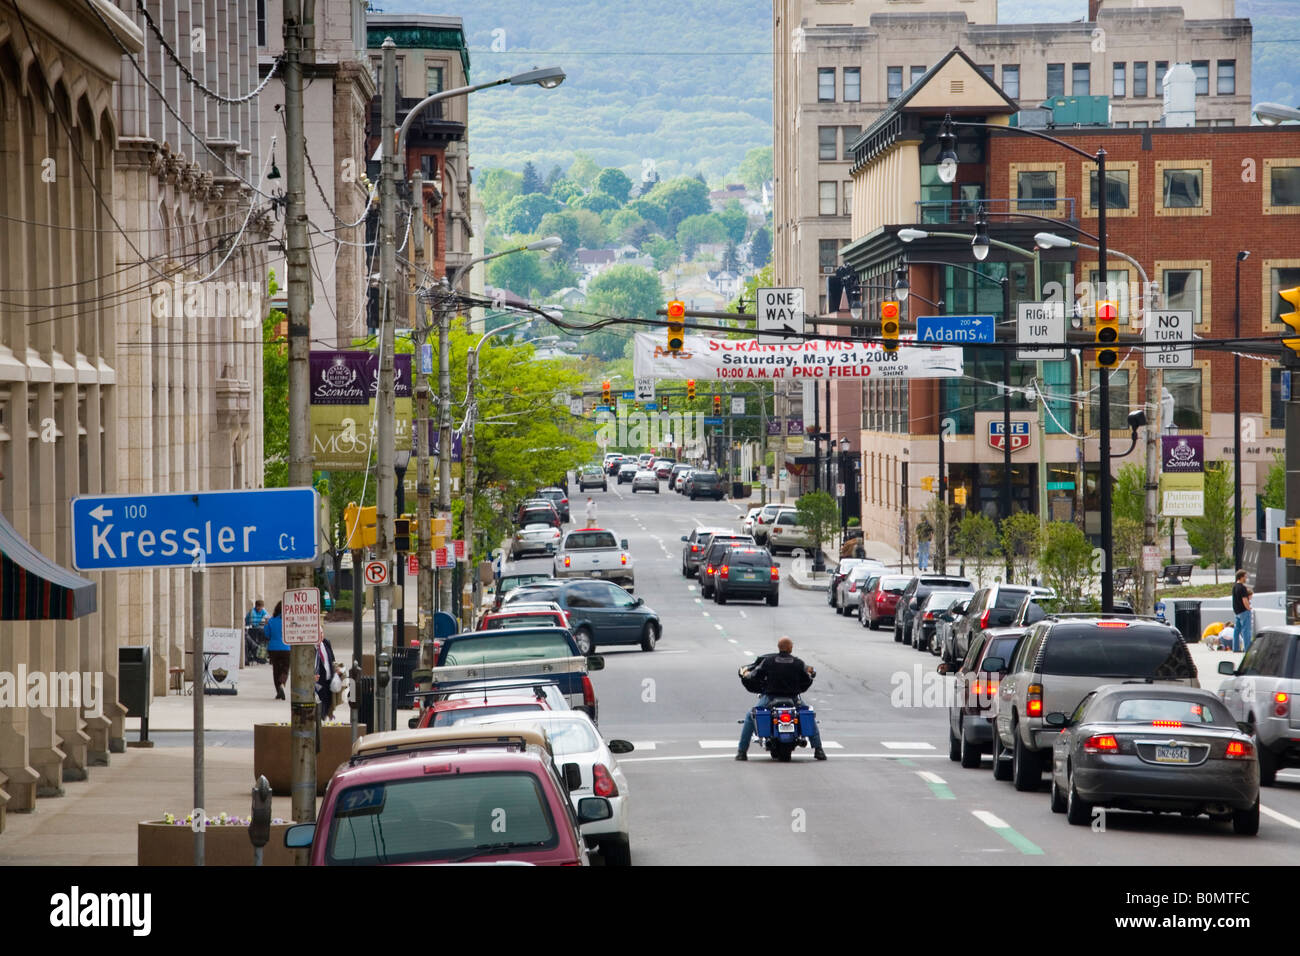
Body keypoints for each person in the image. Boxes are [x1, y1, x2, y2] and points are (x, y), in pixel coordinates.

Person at [737, 637, 826, 761]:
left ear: (779, 647)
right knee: (808, 715)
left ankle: (742, 752)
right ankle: (819, 750)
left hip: (770, 698)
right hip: (793, 699)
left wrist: (746, 675)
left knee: (751, 716)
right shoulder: (798, 663)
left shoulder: (769, 661)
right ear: (790, 648)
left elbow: (755, 675)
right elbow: (807, 680)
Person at [264, 601, 290, 700]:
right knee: (285, 668)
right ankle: (282, 684)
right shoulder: (288, 620)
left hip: (273, 648)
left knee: (276, 669)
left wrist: (266, 625)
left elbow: (267, 635)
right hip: (286, 647)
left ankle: (278, 690)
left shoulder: (271, 621)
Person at [314, 631, 337, 717]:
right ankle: (319, 724)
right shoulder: (311, 648)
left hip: (329, 681)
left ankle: (323, 720)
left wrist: (336, 669)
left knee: (327, 706)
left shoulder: (326, 643)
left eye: (322, 633)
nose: (321, 635)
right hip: (318, 682)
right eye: (318, 633)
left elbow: (332, 660)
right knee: (319, 707)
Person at [1232, 570, 1252, 652]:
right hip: (1244, 611)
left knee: (1237, 631)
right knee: (1246, 631)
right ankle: (1247, 649)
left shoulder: (1235, 587)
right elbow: (1245, 600)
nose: (1246, 578)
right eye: (1245, 576)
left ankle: (1235, 648)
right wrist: (1249, 608)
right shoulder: (1242, 588)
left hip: (1237, 611)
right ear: (1241, 577)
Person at [244, 599, 269, 665]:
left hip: (259, 630)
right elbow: (252, 623)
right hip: (253, 630)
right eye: (259, 607)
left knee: (265, 636)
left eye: (261, 607)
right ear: (256, 606)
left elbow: (267, 619)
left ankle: (262, 654)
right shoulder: (252, 612)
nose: (260, 608)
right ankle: (258, 653)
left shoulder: (263, 611)